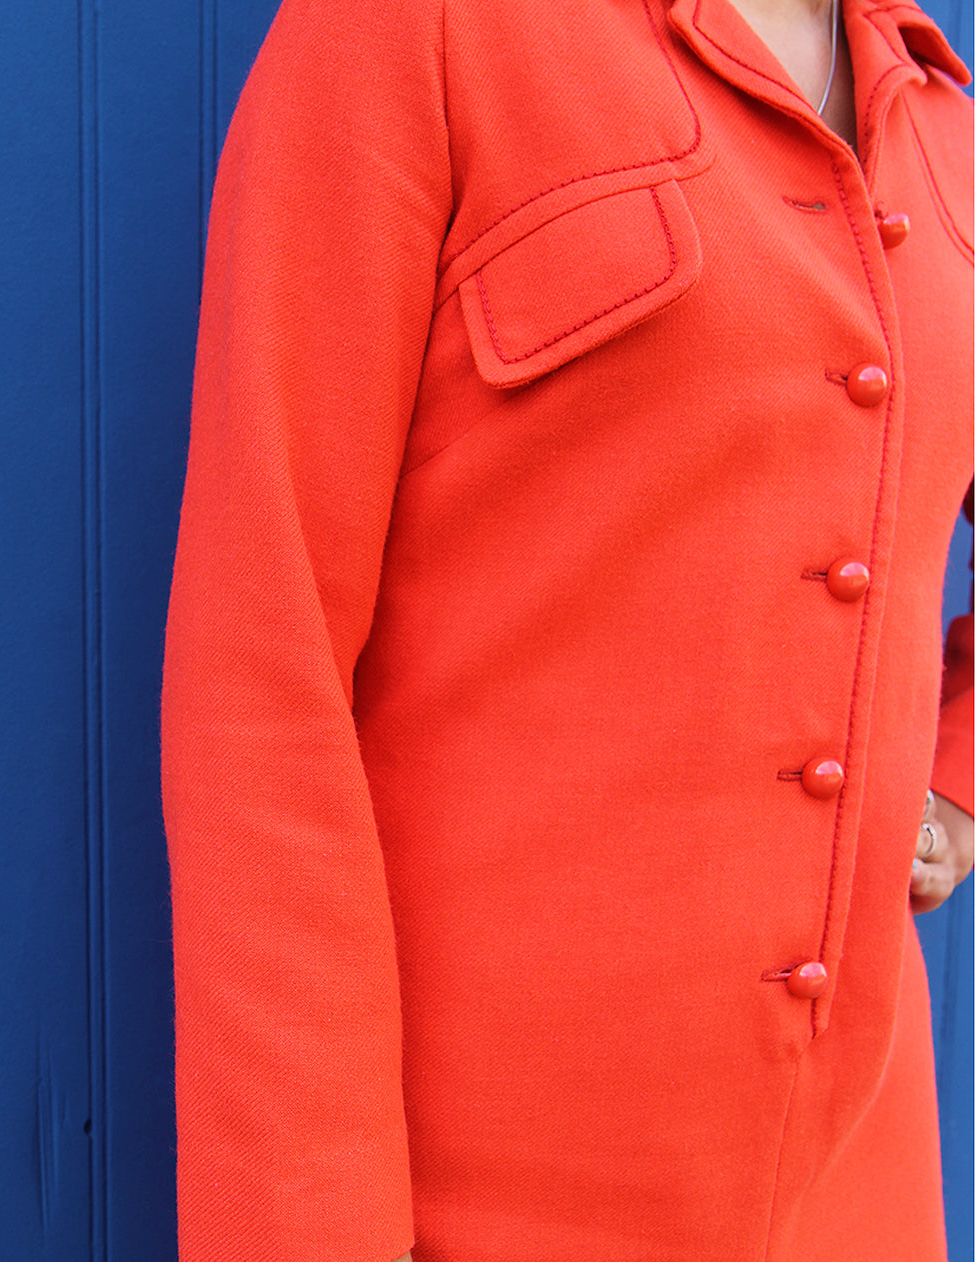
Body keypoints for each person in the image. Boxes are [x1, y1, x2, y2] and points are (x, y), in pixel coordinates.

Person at [160, 0, 974, 1255]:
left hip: (854, 1193)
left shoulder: (933, 117)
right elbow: (261, 678)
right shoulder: (411, 34)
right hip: (482, 1200)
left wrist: (952, 774)